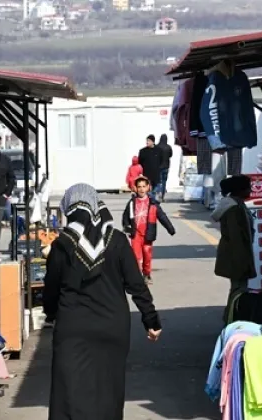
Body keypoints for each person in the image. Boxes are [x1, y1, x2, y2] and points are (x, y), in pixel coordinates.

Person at [43, 183, 162, 420]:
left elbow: (51, 290)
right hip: (112, 327)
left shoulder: (62, 245)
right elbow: (136, 284)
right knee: (108, 390)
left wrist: (52, 314)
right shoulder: (116, 240)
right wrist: (151, 320)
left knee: (69, 392)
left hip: (73, 329)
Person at [211, 175, 256, 323]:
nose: (250, 190)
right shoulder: (234, 209)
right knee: (238, 289)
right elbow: (237, 238)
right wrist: (243, 263)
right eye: (248, 187)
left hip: (237, 255)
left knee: (237, 288)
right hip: (237, 257)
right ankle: (231, 318)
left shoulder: (237, 205)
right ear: (240, 190)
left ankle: (231, 317)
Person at [122, 176, 176, 285]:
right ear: (135, 188)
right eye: (139, 187)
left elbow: (162, 217)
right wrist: (127, 227)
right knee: (136, 257)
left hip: (147, 234)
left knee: (147, 255)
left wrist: (170, 229)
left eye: (143, 186)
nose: (141, 189)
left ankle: (146, 274)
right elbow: (125, 216)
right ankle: (136, 276)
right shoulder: (132, 203)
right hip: (135, 234)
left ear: (148, 188)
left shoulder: (153, 204)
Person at [138, 134, 163, 200]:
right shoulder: (143, 151)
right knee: (148, 190)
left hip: (156, 173)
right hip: (147, 174)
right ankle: (151, 201)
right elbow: (140, 162)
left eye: (149, 141)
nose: (147, 142)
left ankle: (152, 201)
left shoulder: (158, 150)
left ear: (153, 142)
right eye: (147, 140)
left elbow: (161, 160)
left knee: (155, 188)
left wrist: (159, 168)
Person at [157, 134, 173, 201]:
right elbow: (170, 155)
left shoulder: (157, 147)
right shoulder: (168, 147)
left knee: (158, 181)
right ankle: (163, 196)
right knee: (164, 182)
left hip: (158, 167)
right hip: (166, 167)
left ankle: (159, 193)